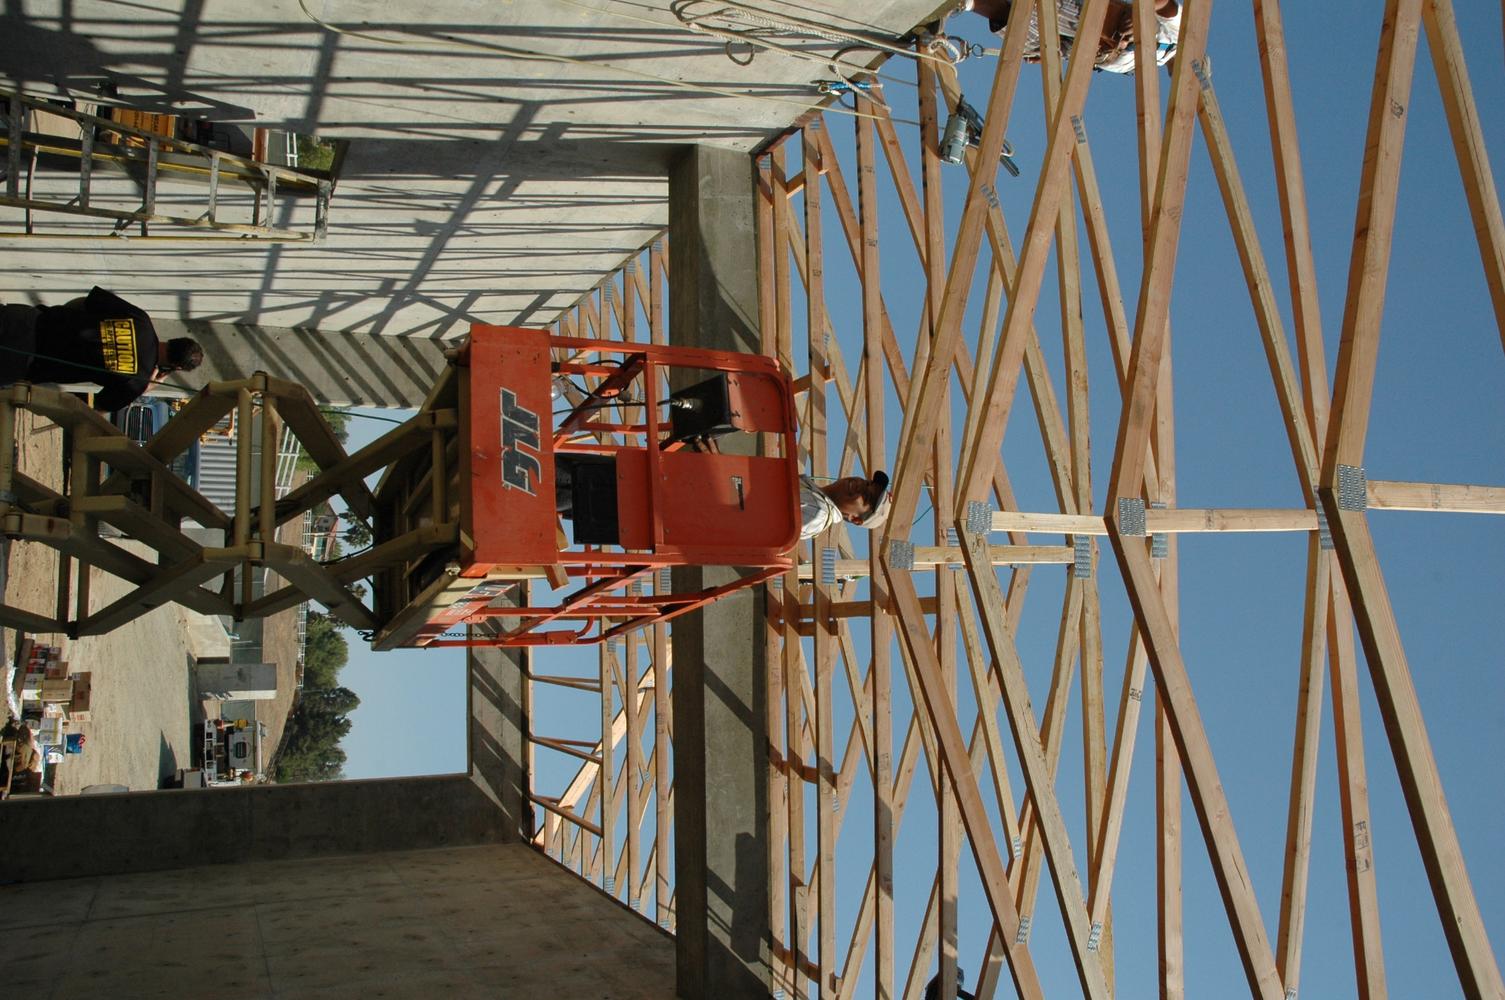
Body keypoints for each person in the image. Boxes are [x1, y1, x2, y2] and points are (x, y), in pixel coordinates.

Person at [0, 286, 203, 411]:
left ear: (174, 340)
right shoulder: (137, 381)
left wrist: (62, 318)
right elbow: (99, 407)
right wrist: (146, 388)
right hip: (24, 361)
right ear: (176, 368)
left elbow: (86, 302)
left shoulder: (141, 319)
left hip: (28, 320)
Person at [965, 0, 1182, 75]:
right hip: (1098, 21)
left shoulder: (1148, 67)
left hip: (1078, 45)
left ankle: (968, 2)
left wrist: (1058, 53)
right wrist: (1139, 12)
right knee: (1039, 7)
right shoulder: (1178, 35)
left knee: (1017, 31)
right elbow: (1166, 5)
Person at [801, 471, 892, 540]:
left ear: (855, 519)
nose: (860, 485)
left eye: (866, 496)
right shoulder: (814, 496)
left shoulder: (819, 513)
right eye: (867, 483)